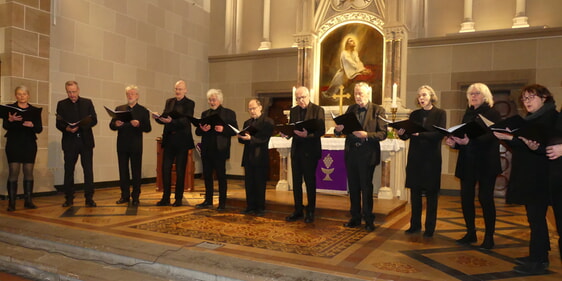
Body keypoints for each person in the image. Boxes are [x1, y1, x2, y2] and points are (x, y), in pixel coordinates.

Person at [495, 84, 558, 275]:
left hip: (543, 176)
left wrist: (519, 141)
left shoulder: (553, 118)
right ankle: (538, 255)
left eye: (531, 97)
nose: (526, 102)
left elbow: (548, 148)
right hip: (532, 174)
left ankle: (538, 261)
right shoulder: (531, 120)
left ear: (544, 98)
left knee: (537, 218)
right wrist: (509, 139)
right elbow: (526, 146)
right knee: (534, 218)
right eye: (524, 99)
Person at [445, 83, 501, 249]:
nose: (473, 96)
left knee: (485, 199)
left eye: (477, 93)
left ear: (485, 96)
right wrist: (454, 142)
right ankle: (471, 232)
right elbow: (463, 137)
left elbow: (492, 136)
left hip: (486, 162)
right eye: (470, 94)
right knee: (466, 198)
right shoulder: (468, 114)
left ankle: (489, 237)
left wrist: (470, 141)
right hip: (467, 161)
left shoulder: (493, 113)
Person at [334, 82, 387, 232]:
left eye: (361, 94)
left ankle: (369, 219)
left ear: (368, 94)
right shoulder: (351, 109)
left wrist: (367, 135)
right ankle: (355, 217)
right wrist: (338, 130)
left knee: (366, 187)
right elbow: (344, 129)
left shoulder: (378, 110)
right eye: (356, 93)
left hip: (367, 154)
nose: (358, 96)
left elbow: (383, 133)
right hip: (352, 153)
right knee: (353, 187)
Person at [397, 85, 446, 237]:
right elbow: (407, 135)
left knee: (431, 194)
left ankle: (430, 227)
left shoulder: (440, 113)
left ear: (431, 96)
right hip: (415, 159)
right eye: (419, 96)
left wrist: (420, 134)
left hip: (431, 159)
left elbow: (439, 134)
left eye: (424, 95)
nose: (421, 98)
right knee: (415, 193)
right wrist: (401, 133)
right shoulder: (414, 115)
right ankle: (415, 225)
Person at [284, 87, 325, 223]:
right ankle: (298, 210)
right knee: (296, 182)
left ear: (309, 96)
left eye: (303, 97)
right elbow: (292, 128)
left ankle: (311, 211)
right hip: (297, 150)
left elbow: (321, 130)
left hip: (310, 150)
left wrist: (308, 134)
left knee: (309, 182)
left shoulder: (318, 110)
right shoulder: (294, 110)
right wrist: (286, 133)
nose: (301, 100)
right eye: (298, 98)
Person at [152, 80, 195, 207]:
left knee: (181, 171)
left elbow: (186, 121)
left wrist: (171, 121)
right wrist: (158, 118)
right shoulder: (169, 101)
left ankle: (178, 199)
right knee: (165, 169)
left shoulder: (190, 103)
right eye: (176, 89)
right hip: (169, 140)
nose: (177, 91)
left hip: (182, 140)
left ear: (185, 90)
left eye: (180, 89)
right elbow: (165, 118)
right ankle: (165, 198)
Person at [56, 81, 98, 207]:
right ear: (66, 91)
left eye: (74, 91)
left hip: (85, 141)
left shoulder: (87, 102)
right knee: (69, 170)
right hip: (70, 141)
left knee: (88, 171)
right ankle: (68, 198)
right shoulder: (62, 104)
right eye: (69, 92)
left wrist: (80, 126)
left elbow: (94, 120)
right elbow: (58, 123)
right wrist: (67, 128)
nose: (72, 94)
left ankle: (89, 198)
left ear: (78, 90)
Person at [195, 89, 238, 211]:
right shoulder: (205, 114)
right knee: (207, 176)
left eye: (214, 100)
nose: (211, 102)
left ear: (220, 100)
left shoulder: (229, 113)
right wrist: (202, 129)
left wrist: (223, 129)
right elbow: (197, 131)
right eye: (210, 100)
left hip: (220, 150)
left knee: (221, 176)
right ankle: (208, 200)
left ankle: (222, 202)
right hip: (207, 149)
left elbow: (235, 131)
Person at [109, 85, 152, 206]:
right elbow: (111, 125)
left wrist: (138, 124)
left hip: (135, 144)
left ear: (137, 96)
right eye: (128, 94)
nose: (130, 96)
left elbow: (148, 128)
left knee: (136, 171)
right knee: (123, 171)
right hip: (122, 144)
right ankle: (124, 195)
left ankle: (136, 196)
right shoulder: (120, 108)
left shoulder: (143, 111)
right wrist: (116, 123)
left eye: (132, 94)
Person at [2, 86, 43, 211]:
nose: (22, 96)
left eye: (24, 94)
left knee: (28, 172)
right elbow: (5, 126)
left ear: (28, 95)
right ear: (16, 95)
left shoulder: (34, 111)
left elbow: (39, 129)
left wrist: (32, 125)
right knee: (13, 171)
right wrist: (10, 119)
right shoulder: (10, 109)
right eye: (19, 94)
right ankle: (12, 202)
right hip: (14, 142)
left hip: (29, 143)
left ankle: (28, 201)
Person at [237, 99, 274, 216]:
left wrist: (251, 139)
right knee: (249, 183)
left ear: (260, 108)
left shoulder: (268, 121)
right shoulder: (247, 122)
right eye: (250, 109)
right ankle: (250, 206)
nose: (252, 111)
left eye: (254, 108)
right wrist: (240, 136)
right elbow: (241, 140)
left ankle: (260, 207)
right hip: (248, 156)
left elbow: (265, 139)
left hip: (260, 156)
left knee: (259, 183)